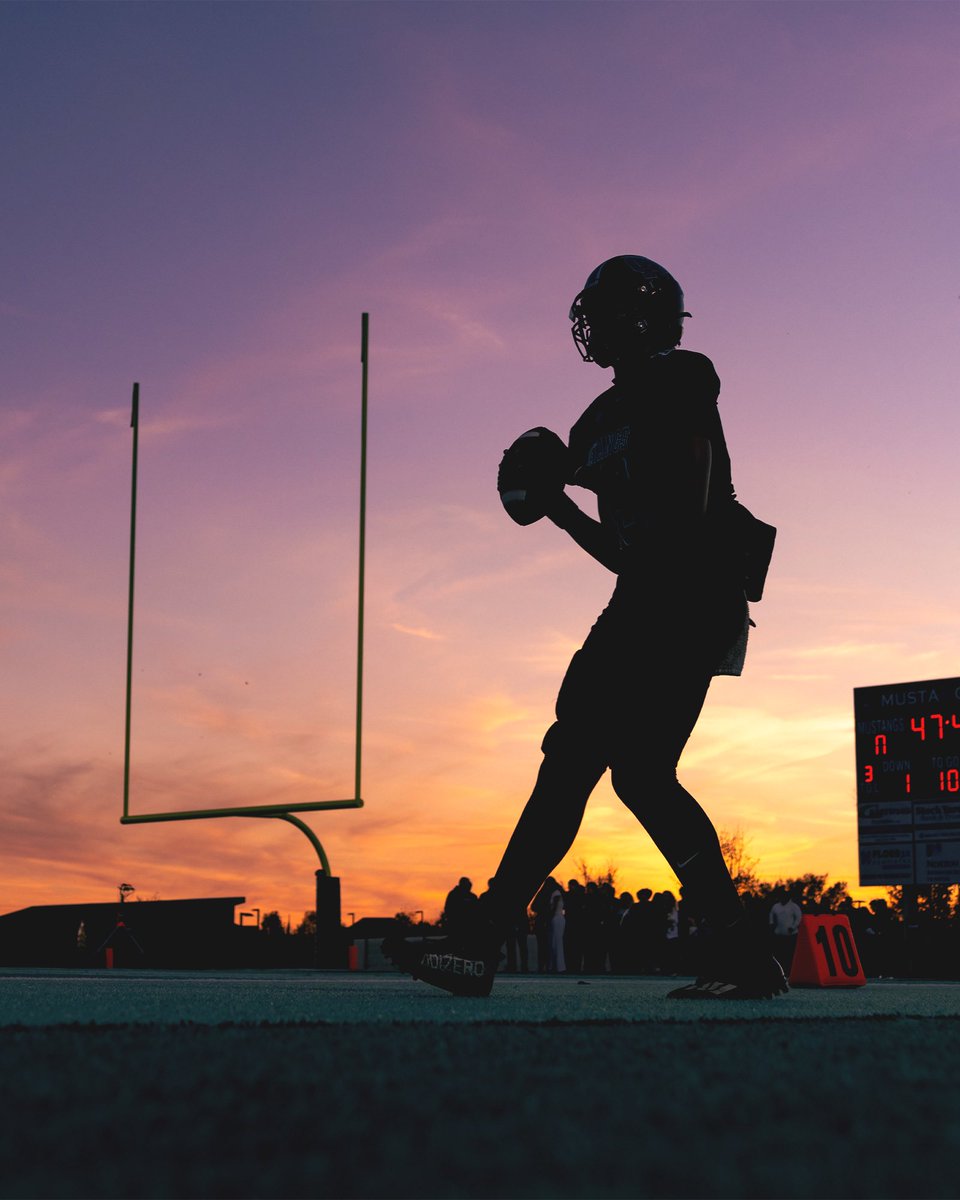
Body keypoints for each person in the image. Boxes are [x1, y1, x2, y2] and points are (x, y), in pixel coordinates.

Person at [385, 254, 784, 1000]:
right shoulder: (593, 424)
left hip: (693, 593)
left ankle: (485, 944)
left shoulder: (683, 376)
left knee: (613, 766)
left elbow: (688, 512)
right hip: (644, 596)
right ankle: (733, 954)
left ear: (640, 316)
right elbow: (622, 553)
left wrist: (650, 561)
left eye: (603, 311)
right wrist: (561, 501)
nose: (591, 326)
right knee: (603, 766)